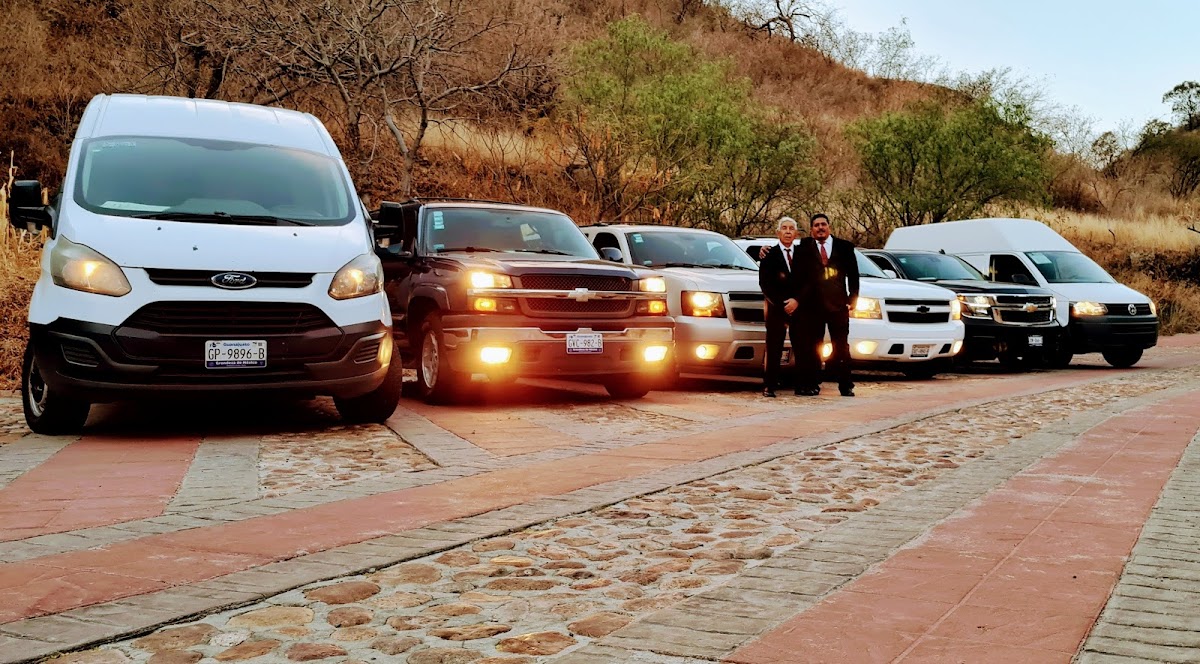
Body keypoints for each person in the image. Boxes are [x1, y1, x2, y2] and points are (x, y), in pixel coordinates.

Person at [794, 213, 859, 397]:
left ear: (829, 227)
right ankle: (813, 384)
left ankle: (846, 385)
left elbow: (853, 275)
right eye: (816, 225)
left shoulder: (844, 247)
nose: (820, 228)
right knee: (814, 346)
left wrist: (853, 299)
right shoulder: (804, 247)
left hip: (838, 305)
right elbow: (786, 250)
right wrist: (765, 250)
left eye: (823, 224)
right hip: (812, 307)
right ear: (811, 229)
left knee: (841, 347)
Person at [758, 216, 804, 398]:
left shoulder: (803, 254)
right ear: (778, 233)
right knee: (774, 347)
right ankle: (769, 385)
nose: (787, 231)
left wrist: (797, 301)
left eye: (791, 228)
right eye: (783, 228)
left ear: (796, 233)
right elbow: (765, 283)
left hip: (799, 308)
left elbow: (809, 281)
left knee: (801, 348)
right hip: (776, 309)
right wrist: (781, 304)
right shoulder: (769, 255)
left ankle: (801, 385)